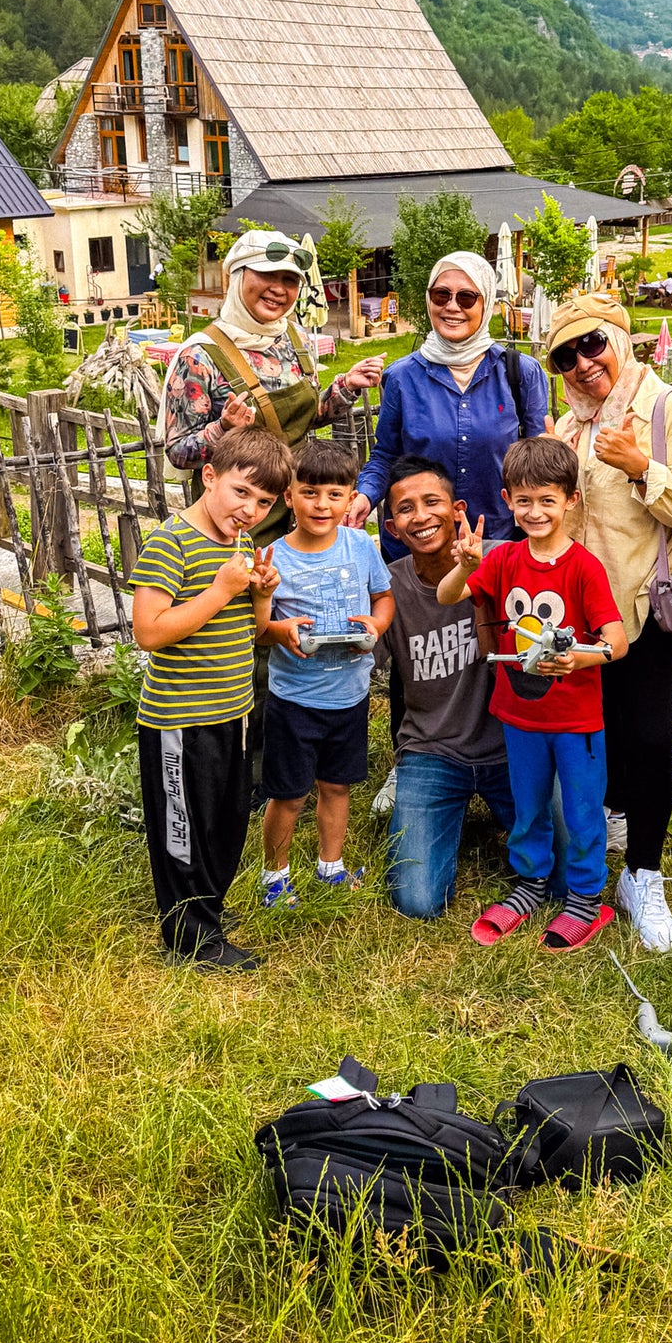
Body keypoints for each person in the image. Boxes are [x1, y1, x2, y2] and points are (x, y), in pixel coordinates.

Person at [547, 291, 672, 952]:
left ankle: (644, 873)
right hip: (581, 613)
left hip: (644, 606)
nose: (583, 363)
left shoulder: (668, 410)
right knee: (601, 733)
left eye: (592, 344)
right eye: (566, 355)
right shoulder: (570, 424)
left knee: (647, 740)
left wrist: (642, 466)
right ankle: (613, 823)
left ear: (621, 339)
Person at [440, 435, 627, 951]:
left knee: (584, 810)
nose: (536, 511)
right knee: (529, 806)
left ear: (571, 500)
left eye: (548, 500)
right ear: (507, 501)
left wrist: (581, 657)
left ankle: (586, 898)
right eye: (524, 501)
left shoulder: (584, 567)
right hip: (519, 716)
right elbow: (446, 595)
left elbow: (617, 640)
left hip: (576, 721)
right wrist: (464, 562)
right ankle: (531, 884)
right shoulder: (501, 561)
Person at [377, 455, 567, 917]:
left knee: (567, 878)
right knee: (416, 900)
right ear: (392, 527)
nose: (420, 516)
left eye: (431, 502)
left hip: (512, 747)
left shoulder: (508, 558)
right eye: (406, 509)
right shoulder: (387, 587)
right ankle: (443, 814)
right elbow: (360, 656)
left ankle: (512, 817)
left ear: (457, 508)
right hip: (432, 751)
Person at [130, 428, 291, 972]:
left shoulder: (238, 545)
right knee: (184, 830)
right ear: (209, 476)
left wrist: (261, 596)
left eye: (264, 502)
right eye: (241, 492)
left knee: (224, 824)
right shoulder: (171, 541)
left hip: (232, 712)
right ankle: (189, 938)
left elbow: (251, 633)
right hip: (179, 720)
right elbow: (149, 632)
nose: (249, 509)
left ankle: (208, 914)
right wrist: (221, 589)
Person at [161, 228, 385, 544]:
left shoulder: (297, 340)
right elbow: (177, 452)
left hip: (302, 519)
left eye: (290, 280)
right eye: (267, 275)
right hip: (240, 525)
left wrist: (346, 386)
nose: (279, 289)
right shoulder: (200, 356)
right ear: (237, 277)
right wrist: (224, 429)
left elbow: (306, 417)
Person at [257, 437, 395, 907]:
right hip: (295, 698)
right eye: (310, 491)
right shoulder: (275, 557)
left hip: (350, 696)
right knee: (289, 794)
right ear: (288, 495)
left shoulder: (360, 546)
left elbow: (383, 597)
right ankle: (274, 876)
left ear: (352, 496)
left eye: (335, 494)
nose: (322, 504)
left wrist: (377, 624)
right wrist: (281, 630)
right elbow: (258, 630)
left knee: (337, 786)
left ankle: (330, 867)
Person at [348, 250, 549, 556]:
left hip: (494, 545)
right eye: (441, 295)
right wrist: (364, 495)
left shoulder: (520, 373)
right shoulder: (402, 377)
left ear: (487, 303)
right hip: (418, 547)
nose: (452, 306)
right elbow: (386, 454)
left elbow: (539, 464)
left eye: (467, 297)